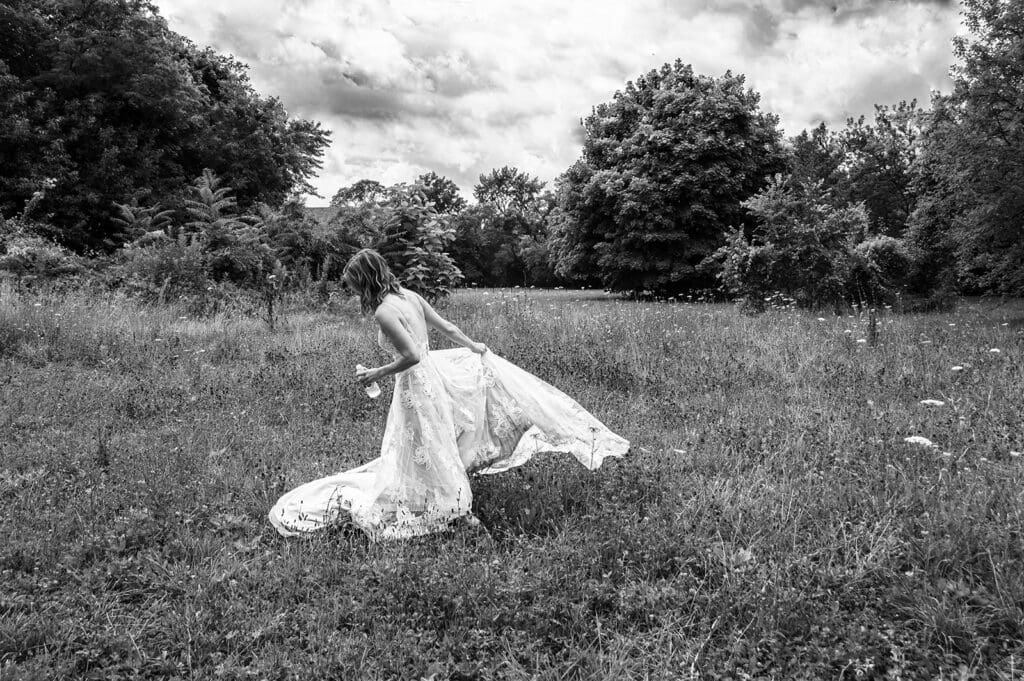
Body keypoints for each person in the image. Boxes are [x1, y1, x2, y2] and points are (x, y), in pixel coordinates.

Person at [268, 249, 629, 540]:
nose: (354, 292)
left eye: (354, 285)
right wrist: (473, 345)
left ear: (365, 280)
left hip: (415, 385)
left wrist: (375, 372)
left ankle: (455, 509)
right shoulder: (409, 295)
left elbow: (410, 356)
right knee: (429, 444)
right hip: (433, 378)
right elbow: (447, 328)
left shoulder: (383, 311)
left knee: (429, 445)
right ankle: (440, 496)